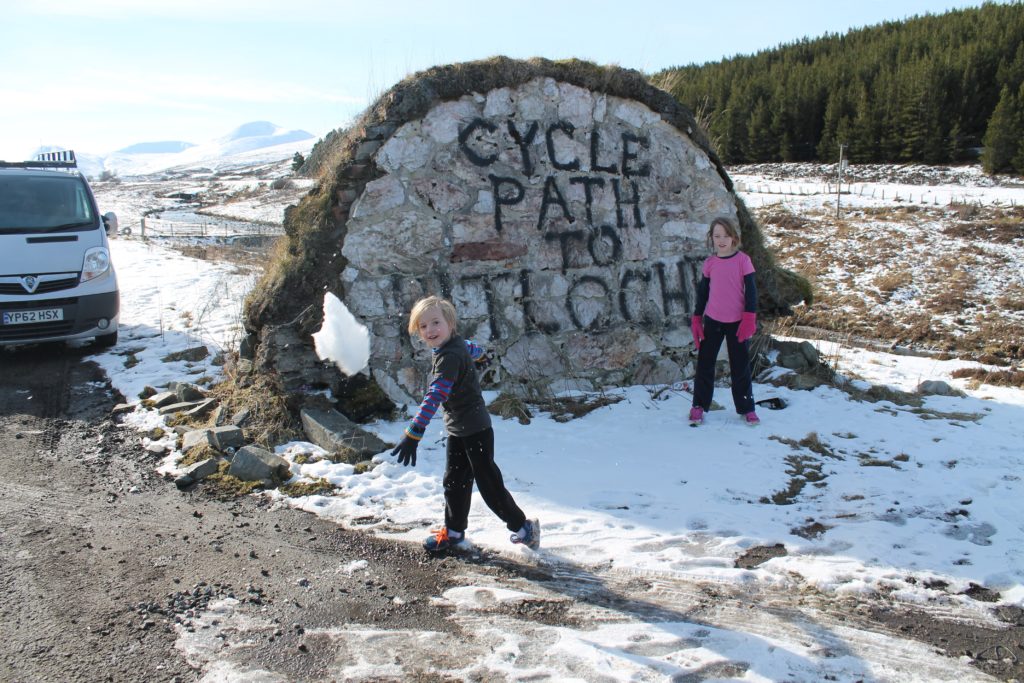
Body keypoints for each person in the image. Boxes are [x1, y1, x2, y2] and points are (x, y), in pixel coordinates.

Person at [391, 295, 540, 553]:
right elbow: (472, 347)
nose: (430, 330)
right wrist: (481, 355)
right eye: (423, 326)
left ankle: (524, 529)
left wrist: (414, 432)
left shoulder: (448, 358)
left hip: (476, 431)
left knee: (489, 485)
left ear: (450, 323)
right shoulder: (455, 346)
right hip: (459, 429)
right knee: (455, 480)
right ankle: (454, 532)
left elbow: (436, 393)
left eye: (436, 322)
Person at [689, 217, 760, 426]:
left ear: (733, 237)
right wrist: (696, 318)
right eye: (717, 235)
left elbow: (752, 292)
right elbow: (703, 293)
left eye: (725, 235)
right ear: (711, 238)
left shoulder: (743, 261)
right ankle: (698, 406)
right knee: (705, 365)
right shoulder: (710, 263)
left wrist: (749, 317)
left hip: (737, 322)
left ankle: (747, 408)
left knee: (740, 367)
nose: (721, 240)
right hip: (712, 321)